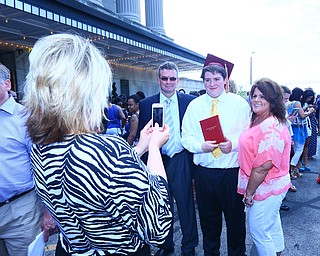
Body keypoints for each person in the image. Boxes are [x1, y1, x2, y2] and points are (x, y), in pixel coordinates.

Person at [22, 33, 173, 256]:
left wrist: (140, 146)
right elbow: (159, 227)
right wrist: (154, 149)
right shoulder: (109, 153)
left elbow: (99, 174)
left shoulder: (40, 147)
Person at [181, 54, 250, 256]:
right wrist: (201, 146)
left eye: (217, 79)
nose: (212, 83)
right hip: (205, 174)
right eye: (207, 80)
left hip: (231, 173)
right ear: (203, 81)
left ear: (225, 80)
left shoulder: (239, 104)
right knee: (209, 223)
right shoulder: (195, 106)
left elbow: (249, 136)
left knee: (235, 222)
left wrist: (234, 145)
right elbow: (185, 137)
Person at [138, 61, 198, 256]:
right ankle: (167, 246)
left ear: (177, 79)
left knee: (185, 205)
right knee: (162, 207)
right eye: (165, 78)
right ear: (159, 80)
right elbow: (143, 134)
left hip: (180, 159)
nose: (169, 82)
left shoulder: (189, 102)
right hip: (158, 159)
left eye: (173, 78)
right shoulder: (147, 104)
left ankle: (189, 247)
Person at [238, 78, 292, 256]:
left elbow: (263, 166)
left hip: (265, 186)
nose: (256, 99)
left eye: (263, 96)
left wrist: (249, 193)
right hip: (272, 185)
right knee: (272, 225)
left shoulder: (270, 126)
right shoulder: (260, 119)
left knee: (260, 232)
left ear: (273, 100)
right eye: (254, 95)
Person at [0, 63, 44, 255]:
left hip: (20, 212)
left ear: (7, 84)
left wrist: (49, 213)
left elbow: (43, 167)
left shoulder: (27, 119)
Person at [287, 87, 315, 178]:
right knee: (299, 150)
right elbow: (302, 116)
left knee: (295, 150)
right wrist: (310, 112)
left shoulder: (288, 103)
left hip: (292, 128)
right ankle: (292, 168)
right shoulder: (297, 103)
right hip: (299, 130)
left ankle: (294, 169)